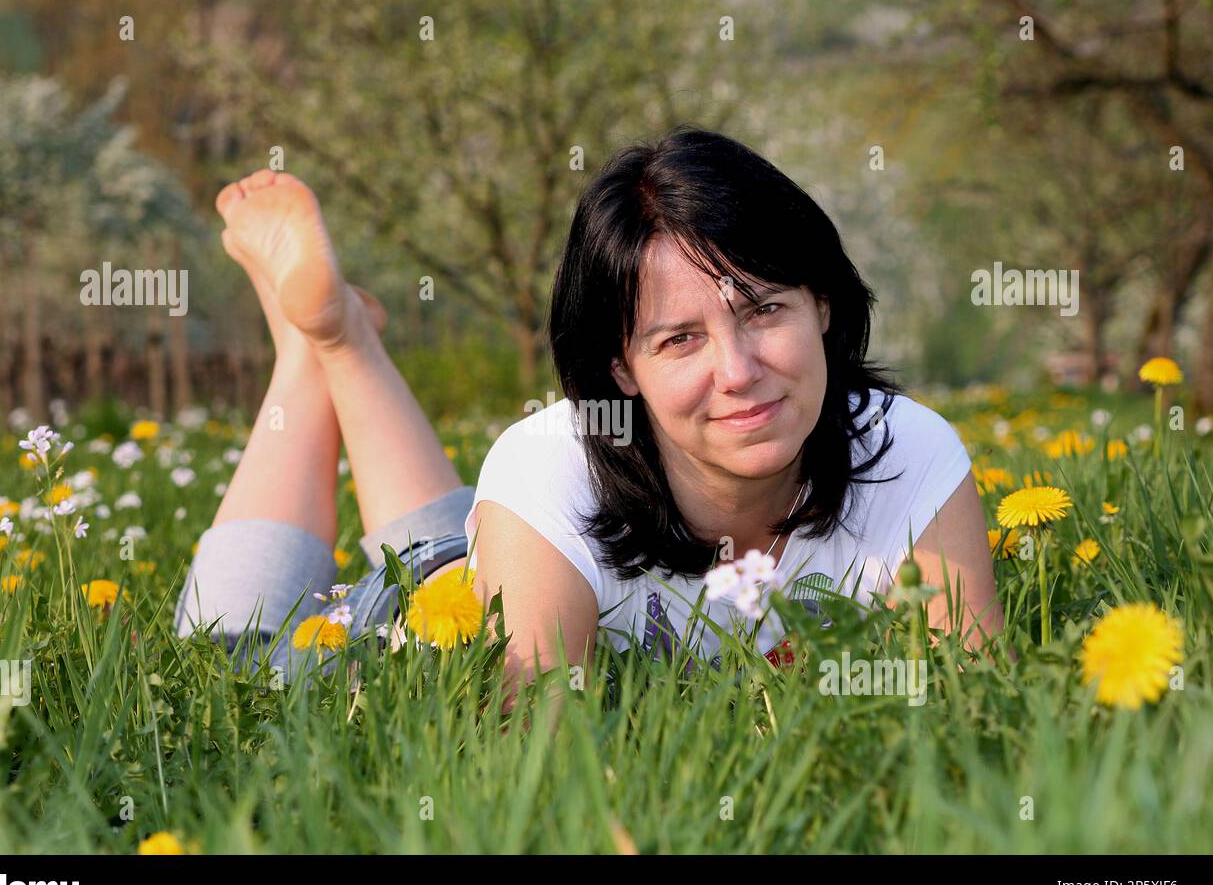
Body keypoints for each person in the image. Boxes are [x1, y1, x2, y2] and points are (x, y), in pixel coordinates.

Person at [174, 126, 1006, 701]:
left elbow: (973, 702)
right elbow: (537, 749)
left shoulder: (907, 452)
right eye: (680, 339)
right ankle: (306, 344)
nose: (740, 372)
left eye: (763, 310)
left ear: (821, 302)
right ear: (622, 366)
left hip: (489, 561)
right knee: (229, 658)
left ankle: (341, 337)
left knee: (448, 551)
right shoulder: (554, 465)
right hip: (390, 637)